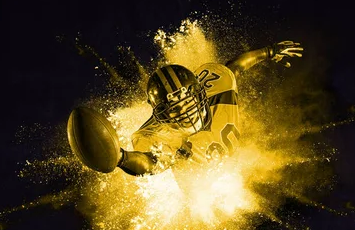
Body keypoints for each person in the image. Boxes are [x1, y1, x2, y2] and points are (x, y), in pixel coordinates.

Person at [112, 40, 304, 176]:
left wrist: (269, 51)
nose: (185, 112)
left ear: (200, 93)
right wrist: (121, 158)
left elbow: (235, 67)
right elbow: (150, 163)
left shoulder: (219, 88)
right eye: (174, 109)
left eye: (187, 102)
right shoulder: (158, 136)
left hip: (240, 159)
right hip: (203, 187)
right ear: (162, 114)